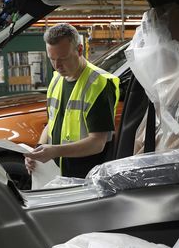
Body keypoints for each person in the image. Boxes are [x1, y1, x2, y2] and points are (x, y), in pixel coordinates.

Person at [25, 23, 120, 179]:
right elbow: (52, 122)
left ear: (80, 50)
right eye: (52, 59)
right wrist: (38, 150)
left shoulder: (98, 84)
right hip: (58, 175)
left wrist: (55, 150)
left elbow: (98, 143)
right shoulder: (57, 80)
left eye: (63, 58)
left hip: (86, 178)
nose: (57, 66)